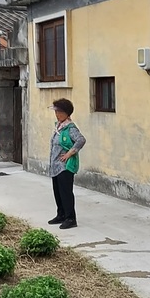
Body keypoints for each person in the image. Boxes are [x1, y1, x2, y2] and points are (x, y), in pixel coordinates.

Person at [47, 98, 85, 230]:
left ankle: (70, 218)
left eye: (59, 112)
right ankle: (61, 214)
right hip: (56, 166)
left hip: (65, 166)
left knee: (66, 192)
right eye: (56, 111)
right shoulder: (59, 126)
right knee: (57, 191)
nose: (57, 114)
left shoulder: (70, 127)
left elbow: (80, 140)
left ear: (67, 113)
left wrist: (70, 153)